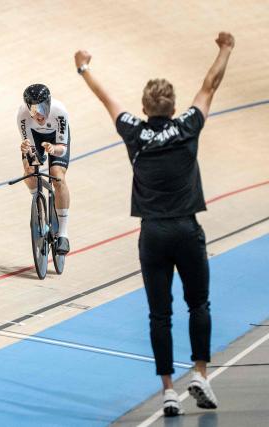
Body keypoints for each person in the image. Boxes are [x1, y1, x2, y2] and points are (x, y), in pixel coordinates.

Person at [74, 32, 235, 416]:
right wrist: (225, 49)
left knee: (159, 313)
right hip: (185, 228)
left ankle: (167, 389)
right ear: (173, 106)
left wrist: (83, 68)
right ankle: (199, 373)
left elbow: (106, 99)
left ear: (145, 108)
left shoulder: (134, 131)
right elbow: (210, 85)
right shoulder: (187, 127)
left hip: (153, 234)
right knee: (198, 303)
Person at [17, 84, 71, 254]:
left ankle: (63, 233)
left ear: (48, 104)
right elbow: (31, 148)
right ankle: (39, 209)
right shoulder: (22, 116)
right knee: (30, 172)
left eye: (41, 108)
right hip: (36, 138)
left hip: (57, 141)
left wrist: (54, 149)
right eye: (33, 110)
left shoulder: (59, 111)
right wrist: (27, 150)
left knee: (58, 176)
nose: (38, 114)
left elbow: (63, 148)